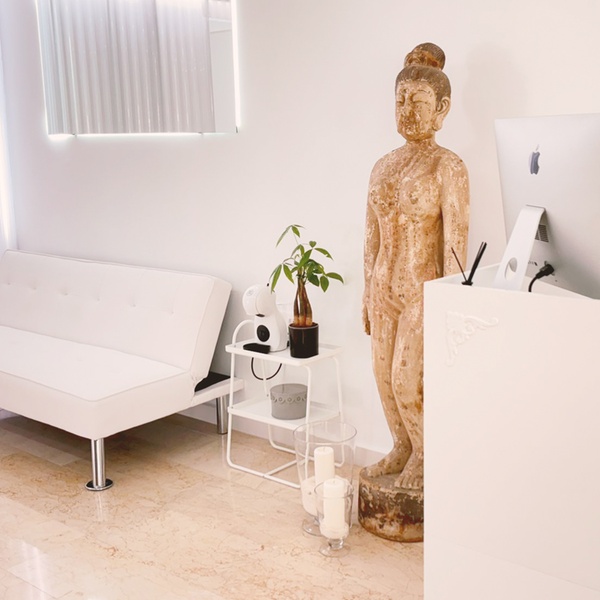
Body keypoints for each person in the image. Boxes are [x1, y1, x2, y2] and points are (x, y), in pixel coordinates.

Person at [362, 43, 469, 490]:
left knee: (407, 380)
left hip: (422, 289)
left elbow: (457, 242)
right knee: (382, 378)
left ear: (441, 109)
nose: (407, 111)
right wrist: (365, 293)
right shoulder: (382, 166)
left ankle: (426, 453)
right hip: (382, 286)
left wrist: (452, 302)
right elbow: (370, 236)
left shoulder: (448, 166)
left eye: (419, 102)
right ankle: (401, 447)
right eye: (400, 100)